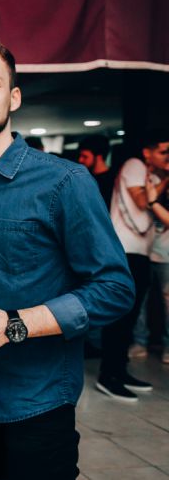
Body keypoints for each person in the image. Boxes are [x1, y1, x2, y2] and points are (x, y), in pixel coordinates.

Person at [0, 33, 134, 480]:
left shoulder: (64, 182)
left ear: (13, 97)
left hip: (34, 409)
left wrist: (13, 325)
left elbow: (115, 288)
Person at [98, 129, 169, 399]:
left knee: (129, 316)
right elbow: (142, 202)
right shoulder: (134, 165)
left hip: (141, 252)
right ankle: (108, 375)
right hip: (124, 251)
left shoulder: (152, 176)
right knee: (120, 316)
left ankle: (120, 370)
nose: (168, 156)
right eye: (163, 151)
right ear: (147, 152)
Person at [146, 164, 169, 363]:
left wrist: (152, 201)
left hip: (167, 255)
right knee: (144, 302)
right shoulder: (155, 181)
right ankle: (139, 343)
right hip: (148, 250)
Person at [78, 134, 114, 208]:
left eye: (85, 156)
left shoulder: (113, 180)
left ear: (99, 157)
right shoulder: (84, 178)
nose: (80, 160)